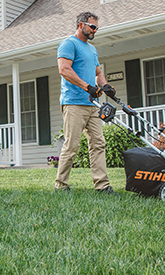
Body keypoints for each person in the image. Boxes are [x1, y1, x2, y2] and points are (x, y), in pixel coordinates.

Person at [54, 11, 117, 194]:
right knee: (72, 145)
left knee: (98, 143)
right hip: (74, 103)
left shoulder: (92, 49)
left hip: (93, 105)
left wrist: (106, 86)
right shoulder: (68, 44)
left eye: (97, 27)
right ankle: (61, 185)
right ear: (81, 25)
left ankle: (102, 185)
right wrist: (86, 86)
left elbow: (98, 73)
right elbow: (64, 69)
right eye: (92, 27)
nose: (95, 31)